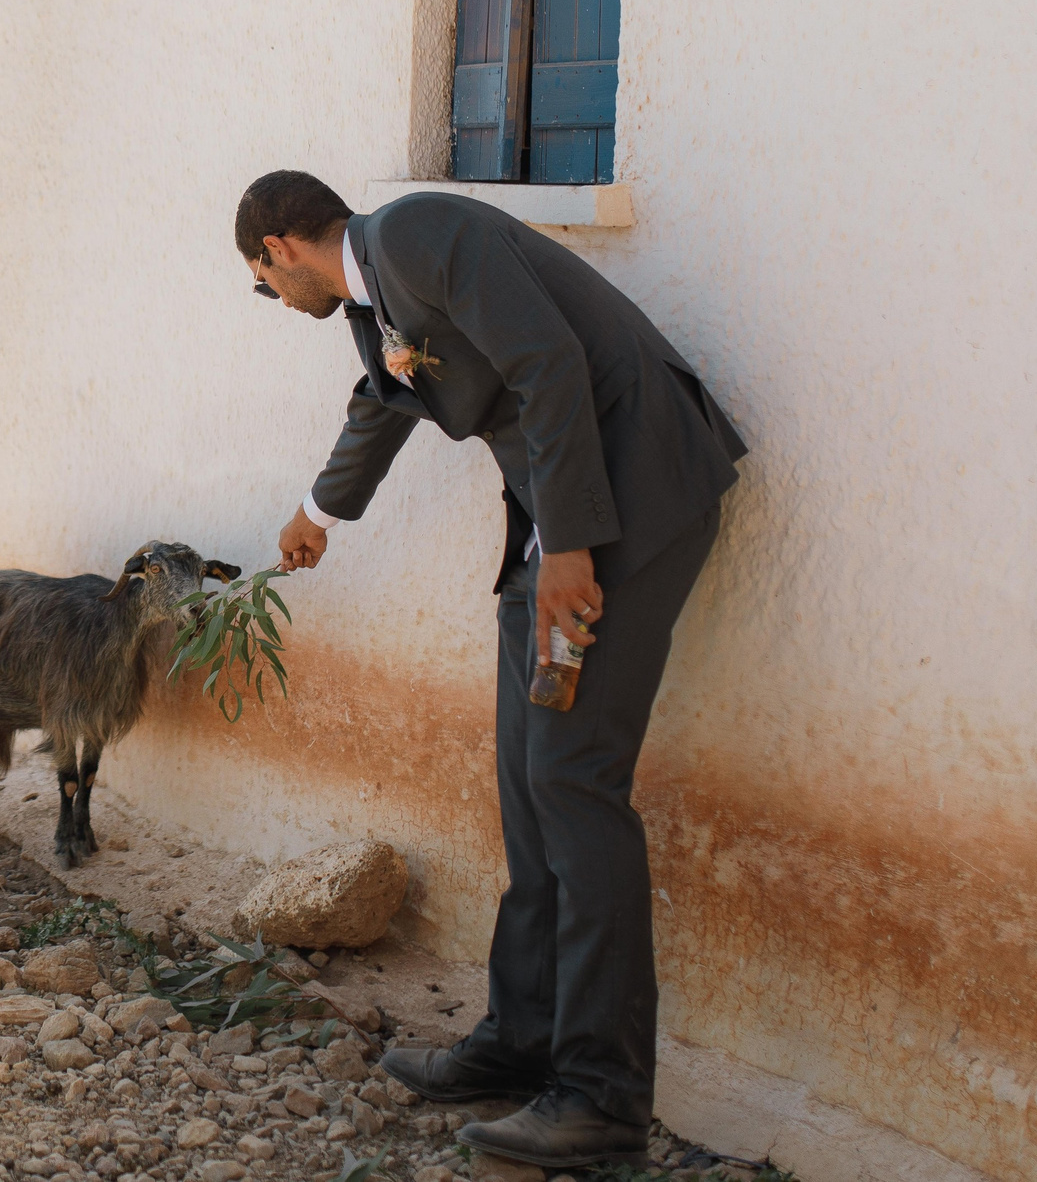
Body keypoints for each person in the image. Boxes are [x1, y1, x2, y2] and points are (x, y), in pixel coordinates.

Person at [238, 169, 745, 1170]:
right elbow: (384, 395)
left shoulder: (417, 231)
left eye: (263, 283)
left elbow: (548, 361)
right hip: (559, 528)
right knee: (527, 783)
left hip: (625, 508)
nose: (276, 301)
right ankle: (522, 1044)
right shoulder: (375, 296)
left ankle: (600, 1100)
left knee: (572, 784)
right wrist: (320, 512)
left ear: (278, 248)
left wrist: (566, 548)